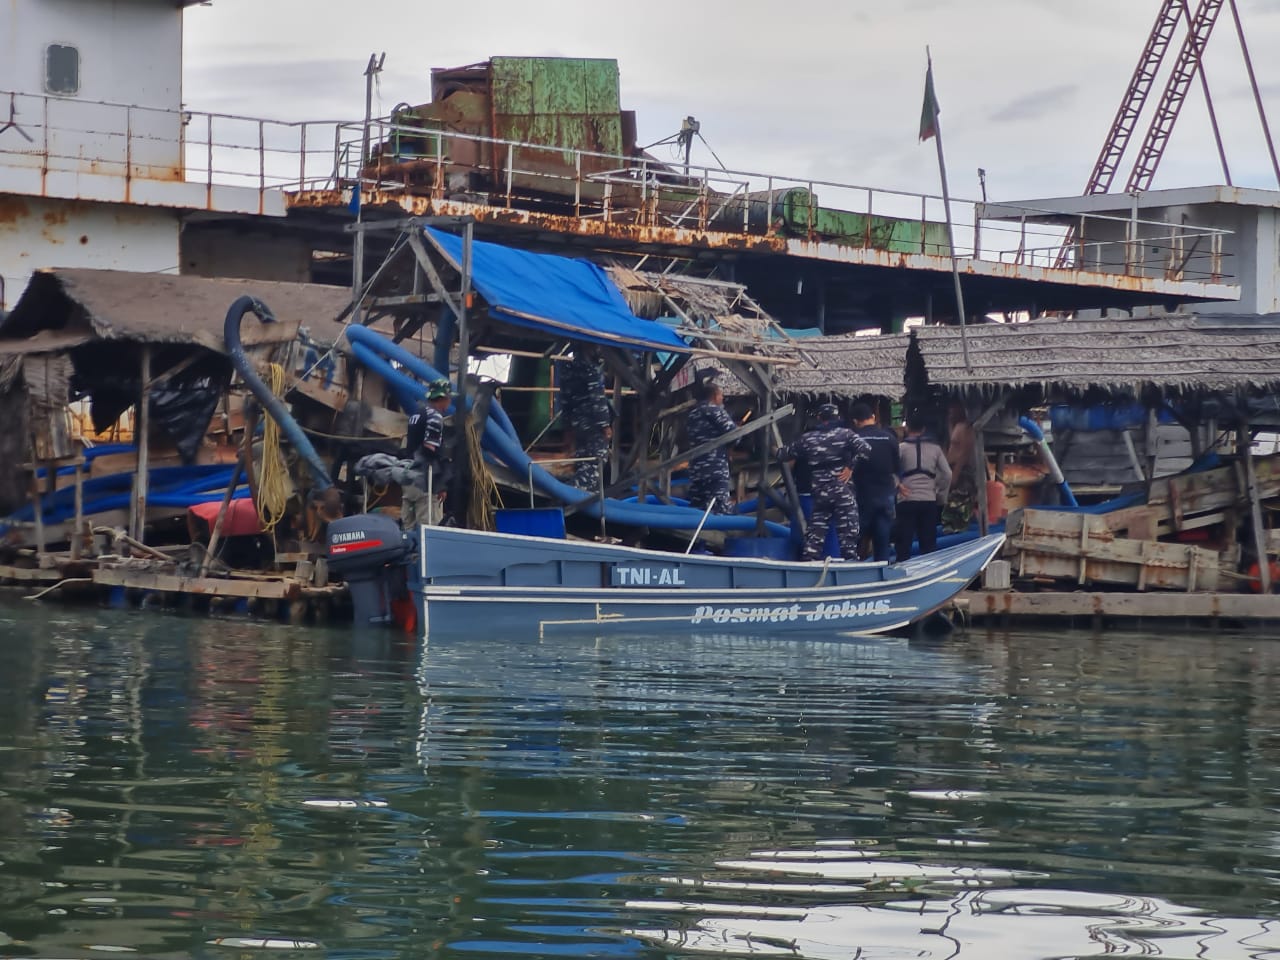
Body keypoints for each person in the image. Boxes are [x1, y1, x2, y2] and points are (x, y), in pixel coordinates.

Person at [777, 403, 871, 561]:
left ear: (819, 418)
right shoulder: (846, 434)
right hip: (842, 490)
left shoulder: (808, 438)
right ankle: (851, 565)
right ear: (837, 417)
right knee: (848, 532)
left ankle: (810, 564)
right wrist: (850, 467)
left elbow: (782, 454)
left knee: (816, 532)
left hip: (820, 491)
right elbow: (866, 450)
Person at [895, 411, 952, 560]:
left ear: (907, 428)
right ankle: (928, 573)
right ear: (924, 429)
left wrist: (898, 485)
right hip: (928, 500)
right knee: (928, 544)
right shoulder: (935, 449)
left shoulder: (901, 448)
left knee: (904, 543)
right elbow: (947, 474)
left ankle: (902, 575)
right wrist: (938, 492)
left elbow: (889, 471)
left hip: (906, 500)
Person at [558, 347, 614, 493]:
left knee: (582, 460)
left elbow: (564, 400)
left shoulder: (567, 370)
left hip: (577, 423)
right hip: (593, 422)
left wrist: (567, 426)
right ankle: (572, 493)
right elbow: (597, 397)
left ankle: (579, 494)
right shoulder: (591, 368)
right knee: (596, 463)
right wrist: (605, 425)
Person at [850, 401, 900, 562]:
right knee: (882, 539)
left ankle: (853, 573)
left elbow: (850, 467)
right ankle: (881, 573)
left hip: (861, 497)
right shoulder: (890, 438)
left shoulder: (854, 439)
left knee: (856, 539)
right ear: (873, 417)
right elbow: (896, 467)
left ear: (856, 422)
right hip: (885, 495)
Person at [400, 377, 453, 527]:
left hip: (408, 476)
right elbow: (430, 450)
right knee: (428, 527)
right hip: (425, 481)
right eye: (449, 399)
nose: (449, 403)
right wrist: (441, 485)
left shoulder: (416, 414)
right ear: (443, 398)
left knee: (408, 526)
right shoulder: (434, 416)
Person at [685, 368, 737, 514]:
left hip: (696, 469)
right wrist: (732, 445)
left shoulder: (692, 414)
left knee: (698, 508)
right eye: (721, 395)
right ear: (714, 396)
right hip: (715, 468)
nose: (722, 399)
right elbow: (735, 434)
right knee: (720, 509)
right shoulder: (715, 410)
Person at [942, 401, 978, 533]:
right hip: (952, 468)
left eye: (953, 409)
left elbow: (964, 452)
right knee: (949, 509)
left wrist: (956, 473)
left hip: (961, 471)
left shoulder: (966, 427)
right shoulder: (955, 426)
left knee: (958, 508)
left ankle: (958, 531)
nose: (950, 411)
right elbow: (952, 445)